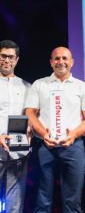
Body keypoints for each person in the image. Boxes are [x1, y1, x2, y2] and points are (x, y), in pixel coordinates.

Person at [25, 46, 85, 213]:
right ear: (51, 62)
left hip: (73, 146)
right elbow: (30, 113)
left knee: (72, 201)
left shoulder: (82, 86)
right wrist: (44, 134)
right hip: (44, 146)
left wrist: (74, 134)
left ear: (72, 62)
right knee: (42, 198)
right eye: (56, 58)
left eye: (65, 58)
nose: (61, 62)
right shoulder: (39, 84)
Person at [0, 39, 30, 213]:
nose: (7, 60)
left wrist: (30, 131)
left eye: (11, 57)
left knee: (15, 203)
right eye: (3, 56)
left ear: (17, 60)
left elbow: (31, 116)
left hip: (18, 151)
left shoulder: (27, 86)